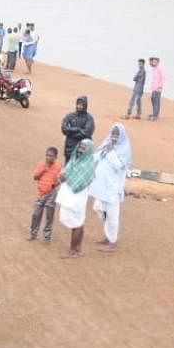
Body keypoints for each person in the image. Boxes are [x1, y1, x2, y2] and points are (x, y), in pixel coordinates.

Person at [90, 123, 131, 252]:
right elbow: (96, 156)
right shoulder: (106, 145)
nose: (114, 136)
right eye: (113, 133)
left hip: (113, 188)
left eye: (117, 134)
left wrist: (111, 151)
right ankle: (108, 235)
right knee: (98, 208)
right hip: (101, 187)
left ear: (121, 136)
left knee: (112, 215)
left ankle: (112, 242)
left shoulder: (124, 150)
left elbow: (118, 166)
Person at [56, 138, 97, 258]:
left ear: (88, 150)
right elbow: (66, 171)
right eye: (80, 147)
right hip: (70, 196)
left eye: (84, 148)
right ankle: (78, 249)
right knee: (78, 222)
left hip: (76, 197)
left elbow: (80, 182)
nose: (81, 150)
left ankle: (72, 251)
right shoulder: (75, 159)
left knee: (76, 224)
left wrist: (66, 178)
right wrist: (62, 176)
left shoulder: (87, 165)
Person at [29, 146, 62, 242]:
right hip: (41, 193)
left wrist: (56, 184)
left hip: (52, 193)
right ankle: (33, 233)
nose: (48, 157)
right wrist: (43, 170)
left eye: (51, 156)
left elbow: (62, 178)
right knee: (36, 214)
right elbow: (35, 177)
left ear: (55, 157)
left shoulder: (58, 167)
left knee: (49, 216)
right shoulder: (41, 164)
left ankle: (47, 237)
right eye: (47, 155)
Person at [60, 96, 96, 162]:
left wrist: (70, 133)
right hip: (69, 148)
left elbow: (86, 133)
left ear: (85, 105)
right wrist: (77, 129)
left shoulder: (89, 118)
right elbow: (64, 128)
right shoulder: (70, 116)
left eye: (81, 105)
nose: (79, 106)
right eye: (78, 104)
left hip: (81, 149)